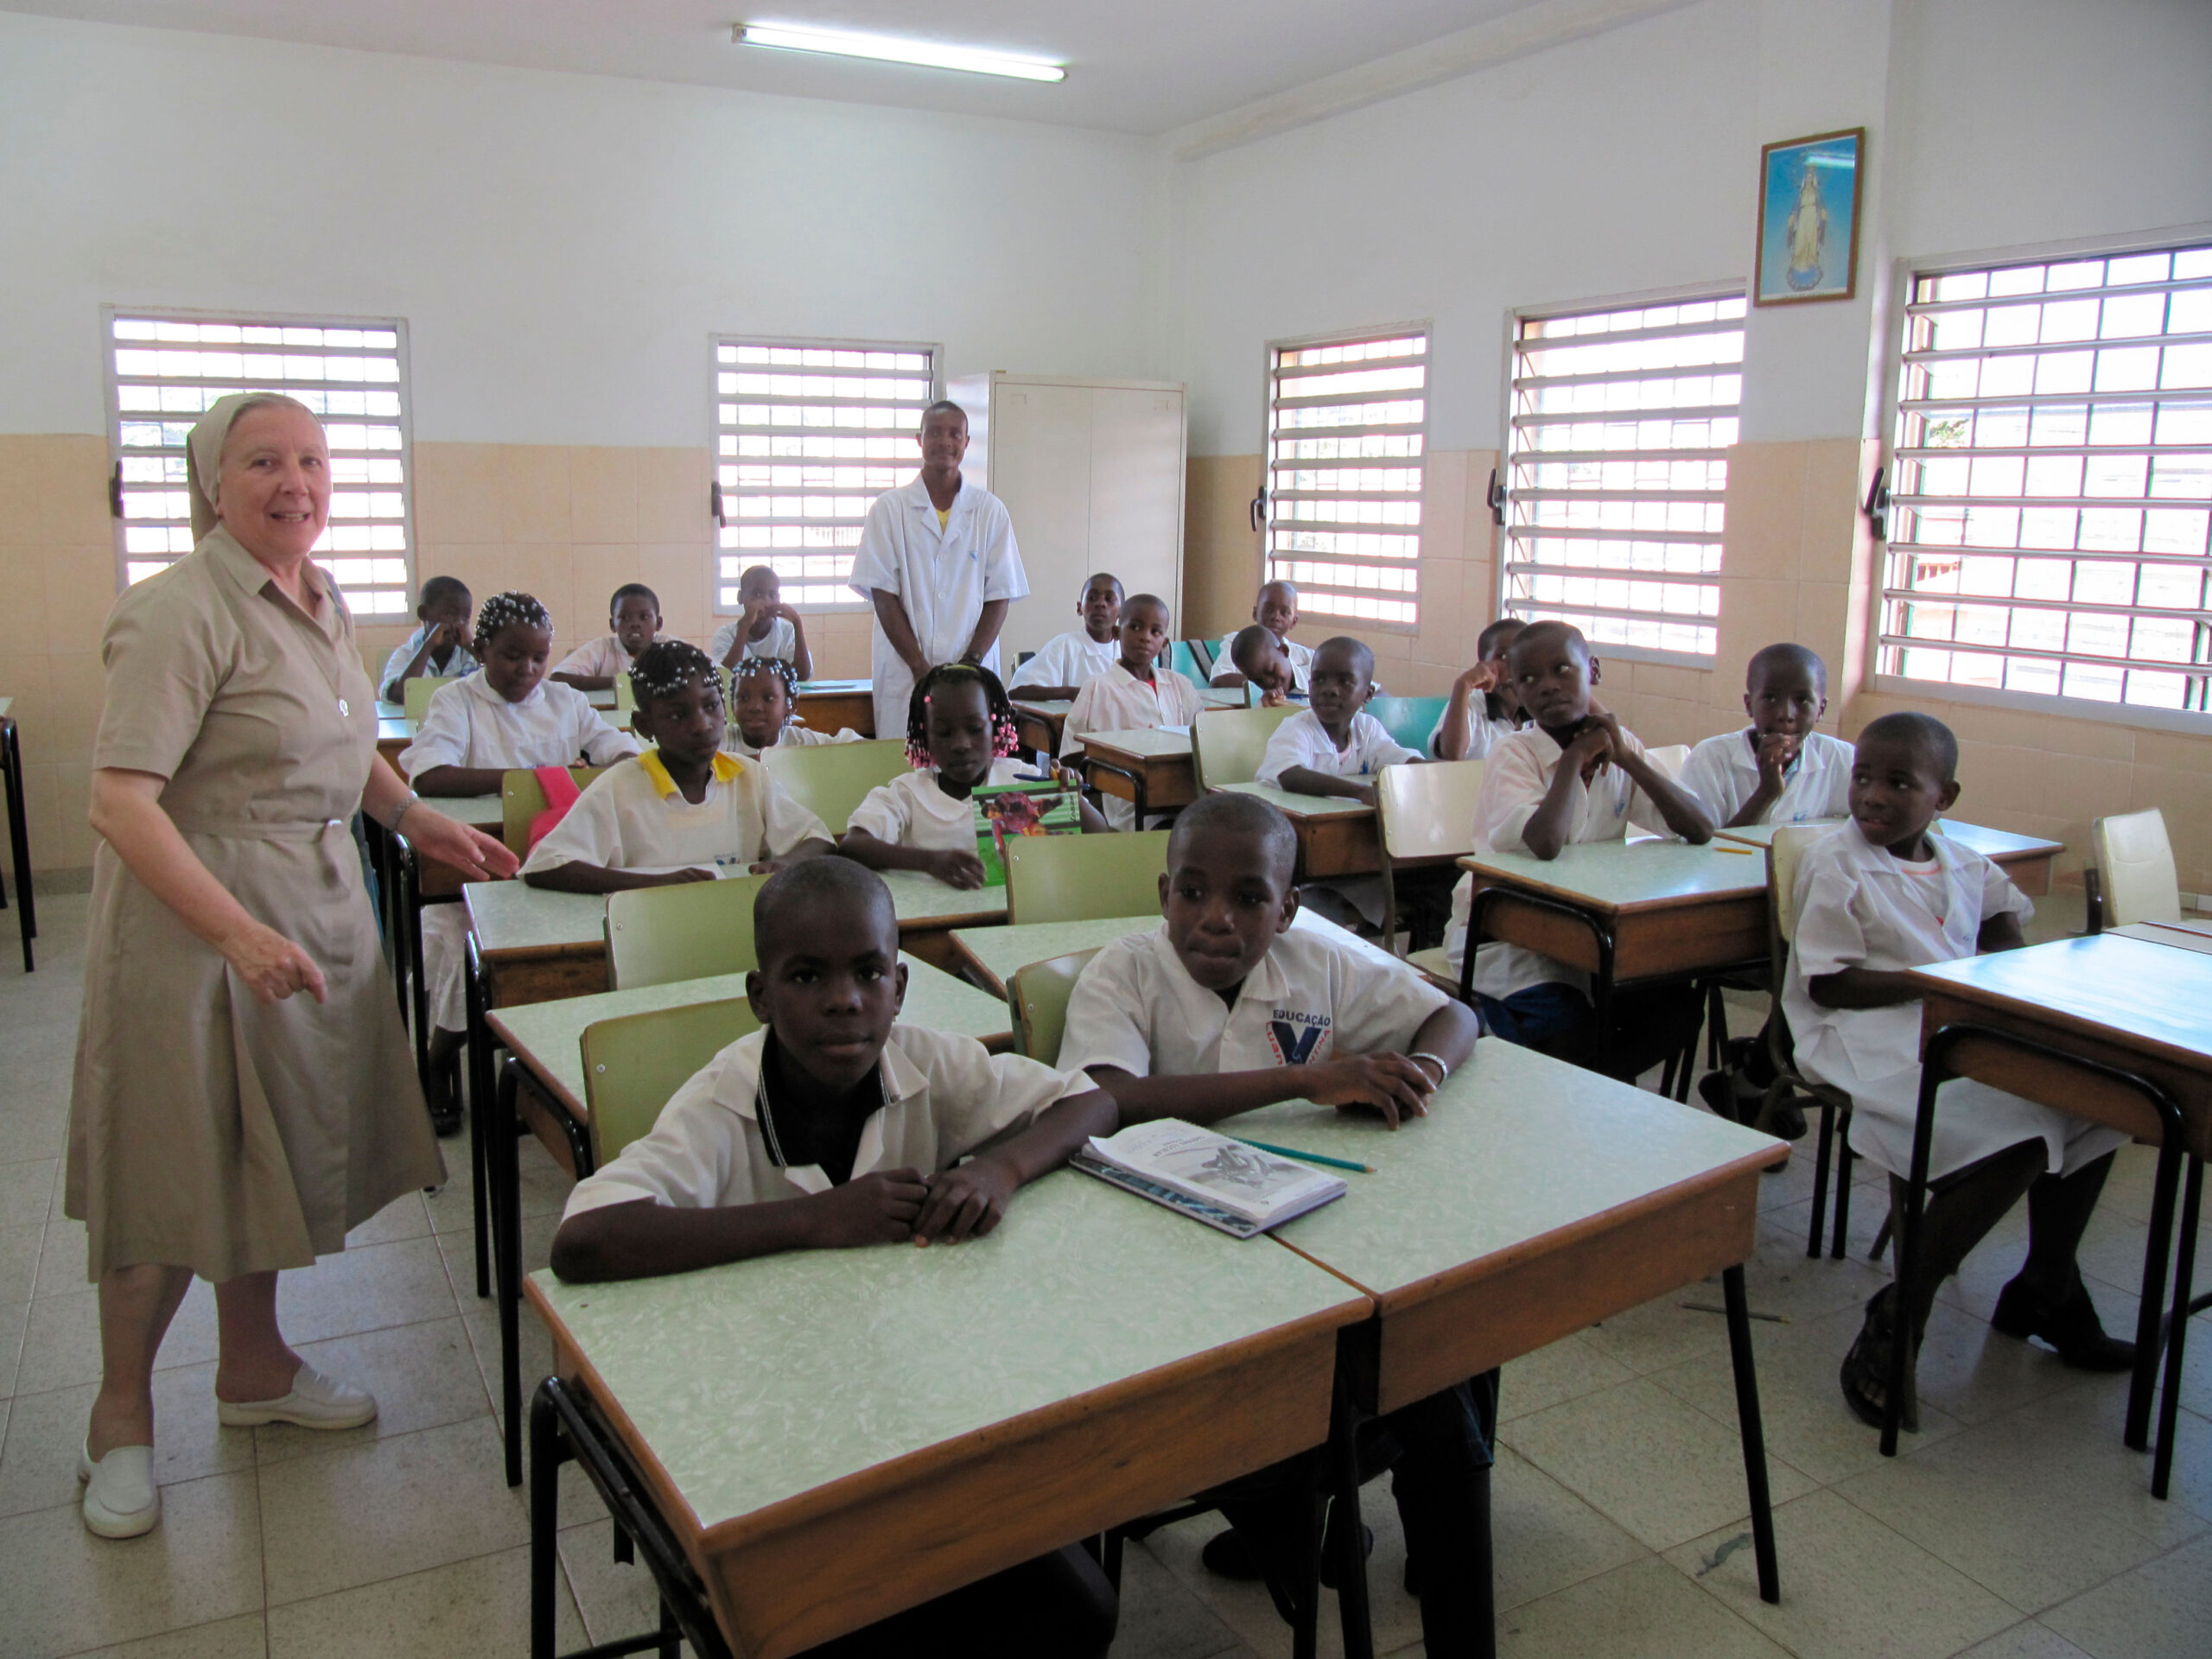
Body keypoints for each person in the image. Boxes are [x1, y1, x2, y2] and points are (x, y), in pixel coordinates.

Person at [69, 393, 518, 1539]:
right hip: (193, 925)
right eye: (262, 461)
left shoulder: (321, 598)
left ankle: (255, 1371)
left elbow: (348, 744)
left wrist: (417, 819)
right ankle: (120, 1416)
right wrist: (229, 930)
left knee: (261, 1152)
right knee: (174, 1168)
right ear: (214, 483)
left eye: (311, 459)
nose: (294, 482)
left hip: (308, 906)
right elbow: (120, 803)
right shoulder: (176, 611)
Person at [548, 857, 1122, 1656]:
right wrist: (813, 1220)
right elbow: (584, 1239)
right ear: (760, 996)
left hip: (912, 1403)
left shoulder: (924, 1059)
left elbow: (1093, 1099)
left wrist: (1000, 1167)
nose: (844, 999)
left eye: (868, 973)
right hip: (763, 1437)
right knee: (825, 1624)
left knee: (1079, 1613)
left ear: (900, 985)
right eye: (807, 976)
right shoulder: (721, 1102)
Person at [1058, 792, 1491, 1654]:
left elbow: (1456, 1013)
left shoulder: (1318, 959)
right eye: (1192, 893)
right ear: (1162, 892)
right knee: (1304, 1416)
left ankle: (1439, 1613)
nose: (1215, 919)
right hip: (1160, 1283)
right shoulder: (1126, 971)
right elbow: (1110, 1096)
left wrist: (1421, 1071)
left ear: (1289, 908)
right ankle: (1290, 1522)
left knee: (1446, 1373)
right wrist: (1303, 1083)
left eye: (1250, 899)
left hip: (1311, 1253)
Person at [1783, 713, 2133, 1429]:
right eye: (1864, 778)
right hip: (1864, 1038)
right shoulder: (1836, 861)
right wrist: (1947, 986)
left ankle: (2046, 1285)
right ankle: (1900, 1312)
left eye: (1899, 783)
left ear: (1945, 797)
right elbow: (1829, 984)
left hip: (1952, 1026)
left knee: (2100, 1103)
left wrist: (1994, 974)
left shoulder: (1963, 860)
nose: (1873, 796)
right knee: (2028, 1132)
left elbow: (2007, 924)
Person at [399, 591, 638, 1123]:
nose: (526, 669)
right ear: (481, 649)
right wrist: (538, 781)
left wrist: (614, 764)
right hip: (474, 867)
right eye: (511, 655)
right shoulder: (455, 701)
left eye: (538, 657)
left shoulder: (564, 701)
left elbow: (619, 751)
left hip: (554, 860)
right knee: (468, 948)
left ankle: (535, 1064)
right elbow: (430, 775)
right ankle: (440, 1059)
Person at [1443, 621, 1713, 1079]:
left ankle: (1576, 1081)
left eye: (1562, 669)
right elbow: (1545, 842)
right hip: (1507, 931)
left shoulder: (1620, 746)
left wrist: (1626, 757)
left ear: (1593, 671)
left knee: (1678, 1011)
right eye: (1528, 679)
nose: (1547, 686)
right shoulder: (1515, 752)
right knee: (1565, 1021)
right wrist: (1573, 758)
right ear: (1516, 691)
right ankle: (1513, 1047)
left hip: (1588, 931)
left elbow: (1700, 828)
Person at [522, 641, 831, 892]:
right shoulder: (620, 786)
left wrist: (784, 863)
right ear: (644, 726)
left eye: (711, 706)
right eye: (678, 714)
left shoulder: (748, 777)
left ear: (725, 710)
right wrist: (656, 884)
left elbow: (817, 838)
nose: (702, 725)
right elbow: (545, 867)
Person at [849, 401, 1029, 737]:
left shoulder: (989, 511)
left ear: (966, 443)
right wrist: (919, 667)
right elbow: (883, 595)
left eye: (954, 434)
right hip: (906, 675)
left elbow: (999, 595)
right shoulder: (889, 509)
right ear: (919, 440)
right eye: (934, 432)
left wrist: (970, 665)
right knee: (905, 769)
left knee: (969, 766)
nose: (944, 442)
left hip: (973, 676)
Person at [842, 664, 1103, 891]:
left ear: (995, 730)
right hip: (933, 924)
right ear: (926, 738)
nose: (961, 744)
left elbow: (1100, 835)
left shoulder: (1020, 779)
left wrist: (1072, 798)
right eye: (944, 732)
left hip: (1008, 921)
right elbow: (853, 845)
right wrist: (930, 862)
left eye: (975, 729)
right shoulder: (907, 794)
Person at [1255, 636, 1424, 932]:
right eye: (1319, 679)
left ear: (1368, 694)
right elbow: (1292, 774)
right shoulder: (1297, 728)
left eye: (1345, 682)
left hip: (1344, 857)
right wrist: (1359, 792)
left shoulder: (1367, 729)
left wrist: (1438, 773)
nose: (1329, 690)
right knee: (1316, 911)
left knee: (1427, 888)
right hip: (1290, 858)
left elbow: (1397, 757)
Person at [1059, 594, 1205, 830]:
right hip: (1128, 801)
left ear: (1164, 643)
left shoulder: (1181, 685)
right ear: (1117, 633)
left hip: (1184, 793)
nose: (1145, 637)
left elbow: (1203, 739)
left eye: (1155, 632)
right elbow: (1071, 754)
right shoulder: (1098, 687)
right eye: (1135, 627)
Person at [1679, 643, 1852, 830]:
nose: (1785, 714)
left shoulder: (1842, 758)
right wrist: (1767, 792)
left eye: (1801, 700)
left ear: (1821, 709)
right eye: (1770, 698)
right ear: (1749, 705)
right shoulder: (1710, 758)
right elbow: (1700, 849)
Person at [1006, 572, 1123, 702]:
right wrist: (1071, 692)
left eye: (1109, 599)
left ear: (1122, 612)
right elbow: (1016, 692)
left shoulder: (1129, 652)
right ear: (1079, 608)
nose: (1100, 603)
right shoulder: (1065, 645)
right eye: (1092, 598)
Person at [726, 655, 863, 759]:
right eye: (743, 698)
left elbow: (859, 746)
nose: (754, 707)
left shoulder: (800, 742)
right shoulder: (722, 741)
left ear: (790, 705)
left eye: (768, 698)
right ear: (732, 705)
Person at [1429, 618, 1528, 761]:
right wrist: (1463, 685)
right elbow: (1452, 755)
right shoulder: (1469, 706)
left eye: (1524, 657)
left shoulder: (1536, 711)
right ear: (1482, 665)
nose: (1514, 667)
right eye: (1503, 656)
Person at [551, 582, 664, 691]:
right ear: (613, 625)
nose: (635, 623)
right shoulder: (602, 648)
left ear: (658, 623)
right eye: (624, 617)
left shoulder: (669, 647)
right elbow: (557, 679)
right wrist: (622, 682)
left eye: (644, 617)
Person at [378, 575, 477, 700]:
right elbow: (401, 695)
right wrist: (428, 646)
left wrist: (471, 647)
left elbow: (500, 685)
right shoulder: (406, 654)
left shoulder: (473, 656)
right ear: (423, 614)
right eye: (450, 614)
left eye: (465, 618)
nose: (458, 623)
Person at [709, 564, 814, 682]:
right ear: (740, 597)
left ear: (779, 598)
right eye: (757, 594)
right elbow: (727, 676)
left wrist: (797, 623)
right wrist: (745, 627)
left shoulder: (787, 631)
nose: (766, 602)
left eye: (772, 595)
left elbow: (802, 675)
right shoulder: (725, 635)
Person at [1211, 580, 1312, 692]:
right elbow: (1217, 682)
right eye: (1268, 609)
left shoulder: (1305, 656)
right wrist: (1258, 685)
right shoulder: (1238, 643)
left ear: (1294, 621)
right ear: (1255, 613)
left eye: (1284, 612)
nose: (1276, 617)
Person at [1227, 624, 1300, 708]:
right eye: (1258, 681)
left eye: (1271, 671)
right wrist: (1265, 711)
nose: (1268, 683)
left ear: (1284, 651)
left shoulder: (1313, 683)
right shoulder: (1262, 703)